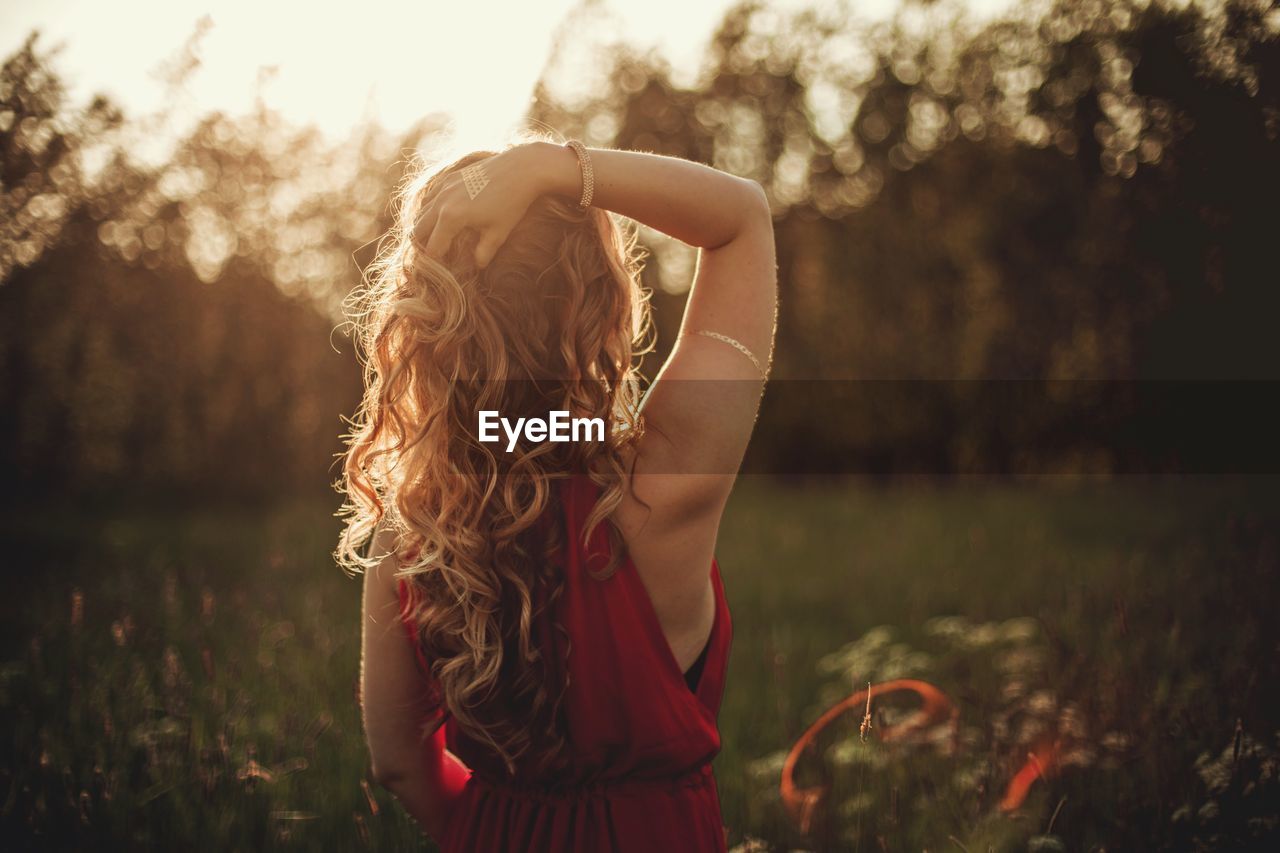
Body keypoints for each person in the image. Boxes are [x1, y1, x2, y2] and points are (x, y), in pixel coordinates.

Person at [335, 132, 777, 851]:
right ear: (601, 306)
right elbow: (740, 219)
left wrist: (506, 826)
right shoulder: (660, 483)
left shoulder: (411, 527)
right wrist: (558, 166)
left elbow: (397, 765)